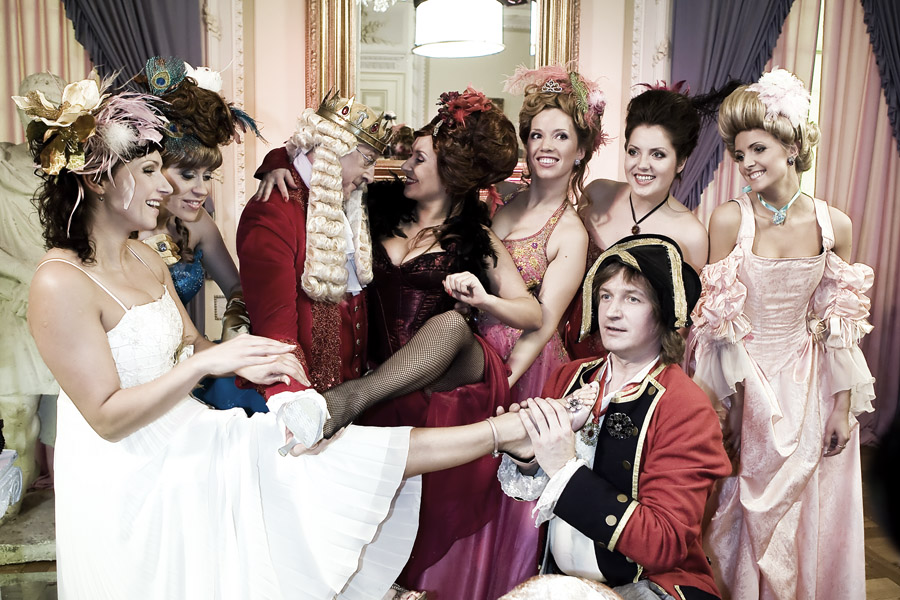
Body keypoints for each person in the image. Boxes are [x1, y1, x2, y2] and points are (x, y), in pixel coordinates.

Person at [19, 77, 552, 600]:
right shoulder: (59, 281)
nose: (169, 187)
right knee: (320, 462)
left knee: (343, 455)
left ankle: (503, 432)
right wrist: (211, 365)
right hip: (127, 466)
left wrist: (241, 360)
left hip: (183, 429)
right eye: (151, 171)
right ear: (98, 180)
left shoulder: (143, 257)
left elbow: (191, 345)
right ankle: (502, 433)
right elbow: (106, 417)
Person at [690, 69, 875, 599]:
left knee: (808, 510)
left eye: (759, 149)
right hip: (745, 383)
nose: (747, 163)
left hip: (810, 385)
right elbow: (717, 324)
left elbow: (839, 319)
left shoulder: (833, 224)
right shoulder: (729, 220)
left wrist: (842, 406)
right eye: (739, 154)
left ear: (792, 147)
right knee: (735, 504)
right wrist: (726, 404)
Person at [499, 234, 731, 600]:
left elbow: (664, 544)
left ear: (664, 311)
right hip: (561, 582)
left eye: (632, 298)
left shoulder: (685, 406)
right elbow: (542, 491)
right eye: (606, 296)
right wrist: (527, 455)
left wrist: (564, 468)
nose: (611, 312)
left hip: (648, 587)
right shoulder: (569, 377)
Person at [566, 83, 736, 359]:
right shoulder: (597, 194)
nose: (642, 165)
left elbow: (677, 331)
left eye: (658, 154)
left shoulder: (690, 234)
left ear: (680, 162)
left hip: (632, 367)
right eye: (634, 152)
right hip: (566, 350)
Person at [135, 56, 263, 414]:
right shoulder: (118, 230)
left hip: (192, 366)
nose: (202, 189)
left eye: (208, 176)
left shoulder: (199, 225)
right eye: (188, 174)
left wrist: (234, 336)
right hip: (131, 379)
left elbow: (238, 290)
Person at [479, 64, 604, 402]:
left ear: (580, 151)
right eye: (537, 135)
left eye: (561, 136)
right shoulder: (502, 200)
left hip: (524, 367)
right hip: (475, 347)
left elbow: (543, 326)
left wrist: (496, 386)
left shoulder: (570, 233)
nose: (546, 146)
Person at [1, 73, 64, 502]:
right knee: (16, 413)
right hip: (13, 302)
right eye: (35, 106)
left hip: (65, 305)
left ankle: (69, 501)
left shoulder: (79, 173)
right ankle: (13, 500)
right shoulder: (3, 165)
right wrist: (28, 275)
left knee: (71, 414)